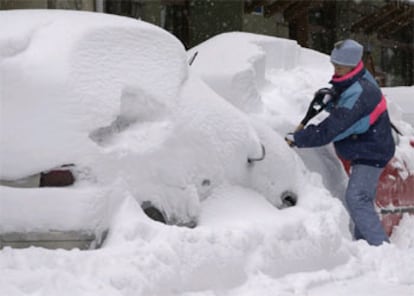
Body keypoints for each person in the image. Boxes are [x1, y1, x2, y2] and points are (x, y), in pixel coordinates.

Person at [285, 39, 395, 246]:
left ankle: (380, 247)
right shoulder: (356, 78)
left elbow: (331, 129)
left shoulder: (362, 93)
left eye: (340, 67)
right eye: (334, 65)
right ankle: (366, 246)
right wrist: (331, 97)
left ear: (353, 65)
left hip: (371, 151)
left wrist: (298, 138)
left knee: (357, 198)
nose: (335, 70)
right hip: (367, 146)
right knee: (361, 200)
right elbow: (345, 94)